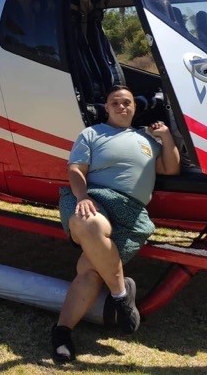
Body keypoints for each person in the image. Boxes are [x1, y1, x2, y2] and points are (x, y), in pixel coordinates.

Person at [51, 85, 180, 363]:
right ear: (107, 108)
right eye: (115, 103)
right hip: (93, 199)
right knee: (90, 224)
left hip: (131, 212)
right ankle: (121, 296)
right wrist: (82, 197)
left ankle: (61, 333)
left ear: (135, 107)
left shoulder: (148, 139)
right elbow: (75, 170)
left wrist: (166, 138)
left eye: (127, 102)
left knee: (90, 271)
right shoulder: (92, 133)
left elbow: (170, 168)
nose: (122, 107)